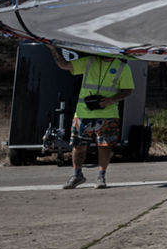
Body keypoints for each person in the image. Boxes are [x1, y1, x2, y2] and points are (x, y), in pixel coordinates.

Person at [47, 44, 135, 189]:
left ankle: (101, 176)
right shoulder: (89, 61)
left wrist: (111, 100)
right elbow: (64, 66)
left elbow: (127, 90)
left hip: (108, 114)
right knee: (78, 145)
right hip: (83, 113)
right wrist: (52, 49)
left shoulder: (123, 67)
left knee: (105, 146)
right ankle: (77, 175)